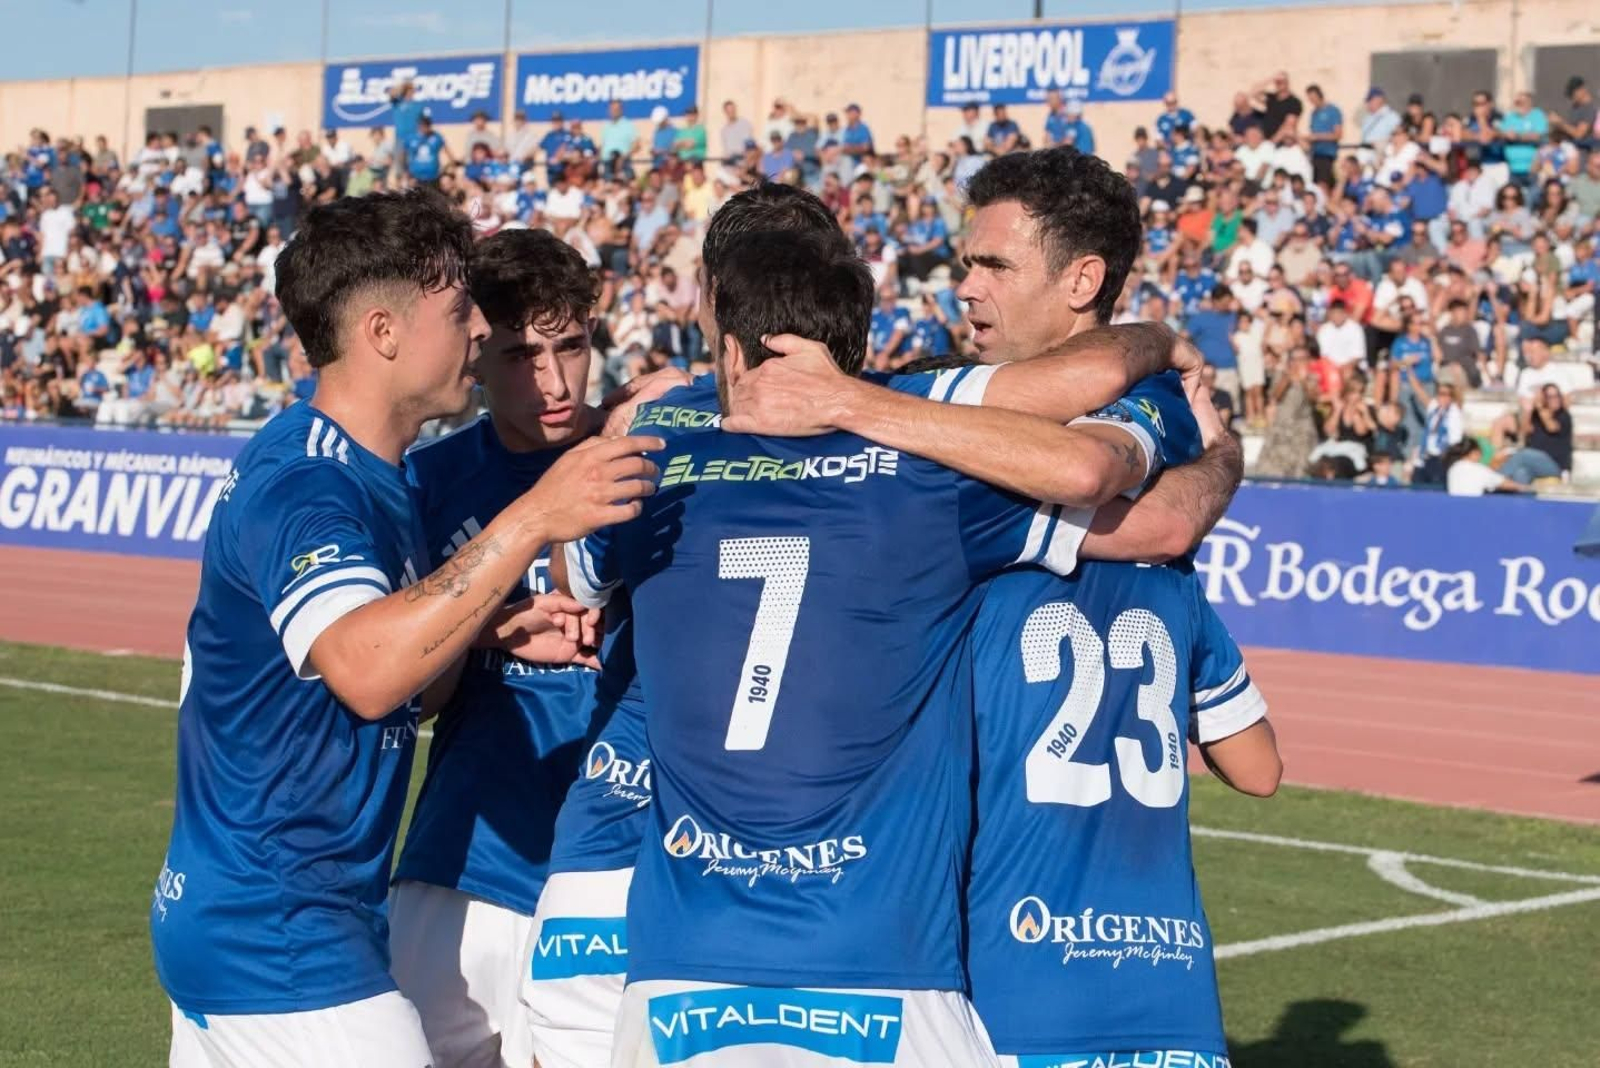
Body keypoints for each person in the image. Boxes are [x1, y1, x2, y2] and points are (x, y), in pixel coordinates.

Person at [151, 189, 661, 1068]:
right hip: (276, 934)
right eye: (461, 311)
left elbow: (414, 686)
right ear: (385, 332)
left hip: (280, 921)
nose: (474, 333)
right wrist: (534, 517)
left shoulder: (367, 477)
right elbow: (369, 669)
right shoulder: (313, 487)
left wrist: (486, 630)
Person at [385, 229, 620, 1068]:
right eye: (522, 356)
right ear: (476, 352)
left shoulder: (648, 454)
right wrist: (486, 621)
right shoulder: (428, 482)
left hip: (614, 871)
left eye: (572, 346)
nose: (554, 382)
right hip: (466, 858)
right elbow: (411, 694)